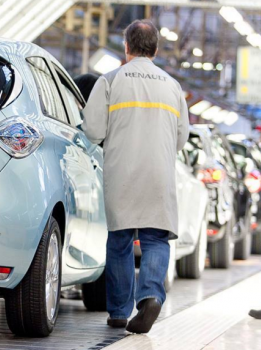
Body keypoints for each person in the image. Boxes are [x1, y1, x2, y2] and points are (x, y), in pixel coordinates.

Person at [81, 19, 189, 334]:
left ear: (126, 47)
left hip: (121, 172)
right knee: (155, 239)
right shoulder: (172, 86)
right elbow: (181, 140)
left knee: (120, 241)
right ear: (155, 48)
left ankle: (118, 312)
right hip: (159, 174)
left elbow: (92, 130)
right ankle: (151, 295)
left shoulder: (110, 81)